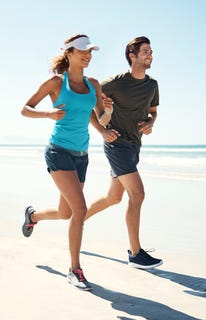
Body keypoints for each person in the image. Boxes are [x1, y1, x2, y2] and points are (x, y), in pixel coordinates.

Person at [20, 34, 116, 291]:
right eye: (83, 51)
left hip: (81, 155)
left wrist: (107, 117)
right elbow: (25, 109)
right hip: (58, 151)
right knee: (80, 210)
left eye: (90, 52)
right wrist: (47, 113)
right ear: (69, 53)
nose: (88, 55)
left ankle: (33, 216)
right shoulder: (55, 83)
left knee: (66, 213)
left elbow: (99, 118)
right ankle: (75, 269)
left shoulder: (93, 84)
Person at [86, 36, 163, 269]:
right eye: (146, 51)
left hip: (134, 146)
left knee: (114, 198)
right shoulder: (114, 83)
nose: (150, 55)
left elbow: (153, 112)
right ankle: (135, 253)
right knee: (137, 194)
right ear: (133, 56)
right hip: (116, 144)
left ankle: (77, 222)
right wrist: (101, 131)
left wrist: (151, 122)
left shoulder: (152, 85)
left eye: (151, 51)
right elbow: (90, 106)